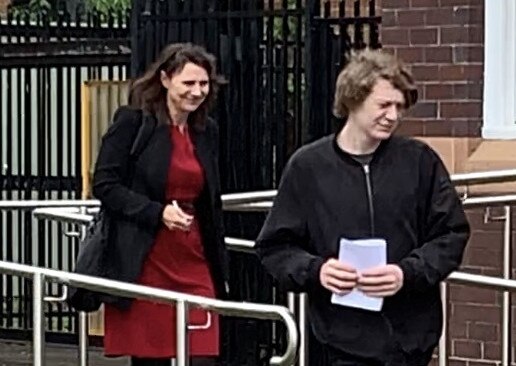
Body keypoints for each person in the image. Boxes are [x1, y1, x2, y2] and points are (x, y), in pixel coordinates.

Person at [255, 49, 470, 366]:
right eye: (384, 105)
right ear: (353, 101)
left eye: (399, 106)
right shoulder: (308, 167)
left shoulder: (420, 161)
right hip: (338, 340)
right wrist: (318, 270)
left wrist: (405, 273)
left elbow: (452, 234)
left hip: (410, 340)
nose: (393, 116)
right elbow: (275, 247)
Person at [92, 43, 228, 366]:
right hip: (146, 255)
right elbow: (105, 184)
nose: (197, 92)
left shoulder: (206, 131)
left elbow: (212, 201)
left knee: (202, 354)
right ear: (166, 80)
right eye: (188, 83)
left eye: (203, 84)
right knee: (152, 356)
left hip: (193, 254)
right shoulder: (133, 122)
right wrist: (157, 212)